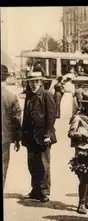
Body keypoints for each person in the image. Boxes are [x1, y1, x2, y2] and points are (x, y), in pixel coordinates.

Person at [21, 71, 57, 203]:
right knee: (32, 164)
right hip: (30, 137)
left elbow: (51, 116)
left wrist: (47, 134)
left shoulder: (46, 94)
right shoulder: (29, 95)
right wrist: (23, 135)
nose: (33, 84)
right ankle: (35, 190)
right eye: (31, 81)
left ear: (41, 82)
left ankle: (44, 191)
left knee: (44, 165)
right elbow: (26, 116)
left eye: (36, 81)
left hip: (43, 137)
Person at [68, 90, 88, 214]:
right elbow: (70, 133)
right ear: (84, 105)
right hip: (81, 150)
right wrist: (81, 135)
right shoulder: (77, 117)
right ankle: (81, 203)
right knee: (83, 177)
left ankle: (86, 200)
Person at [1, 64, 22, 191]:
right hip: (5, 138)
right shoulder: (11, 97)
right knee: (3, 166)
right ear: (6, 78)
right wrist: (17, 139)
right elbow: (16, 120)